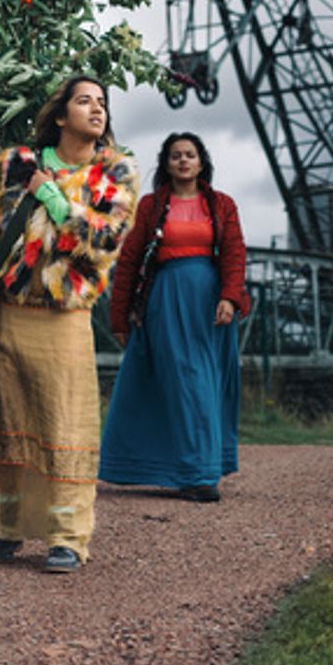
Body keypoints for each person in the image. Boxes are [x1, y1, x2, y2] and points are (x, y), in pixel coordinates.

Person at [0, 74, 139, 572]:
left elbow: (109, 240)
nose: (97, 109)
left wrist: (56, 203)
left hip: (64, 317)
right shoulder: (17, 165)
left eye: (102, 102)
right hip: (7, 312)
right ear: (60, 116)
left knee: (65, 424)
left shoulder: (118, 173)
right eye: (84, 101)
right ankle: (6, 532)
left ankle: (67, 537)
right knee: (9, 425)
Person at [100, 131, 249, 501]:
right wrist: (119, 318)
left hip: (211, 307)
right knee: (186, 380)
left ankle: (203, 466)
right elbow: (130, 262)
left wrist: (230, 297)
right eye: (176, 156)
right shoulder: (150, 206)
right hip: (167, 303)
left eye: (190, 155)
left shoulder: (222, 205)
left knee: (208, 383)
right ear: (166, 164)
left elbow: (234, 253)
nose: (183, 161)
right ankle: (197, 475)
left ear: (202, 163)